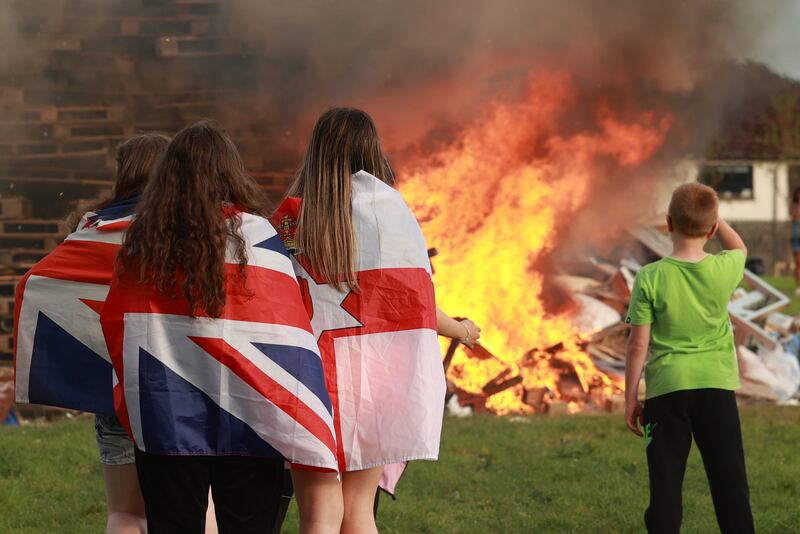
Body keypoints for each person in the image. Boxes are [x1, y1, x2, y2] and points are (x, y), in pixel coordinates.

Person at [100, 121, 340, 534]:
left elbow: (119, 322)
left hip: (166, 413)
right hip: (253, 412)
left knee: (173, 526)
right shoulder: (259, 235)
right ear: (231, 171)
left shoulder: (143, 242)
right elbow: (290, 326)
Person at [277, 107, 447, 533]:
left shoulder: (289, 219)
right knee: (358, 511)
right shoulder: (392, 214)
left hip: (307, 377)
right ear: (371, 150)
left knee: (318, 513)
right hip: (377, 380)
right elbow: (411, 302)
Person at [624, 182, 754, 534]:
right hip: (716, 387)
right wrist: (714, 217)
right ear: (712, 229)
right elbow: (739, 246)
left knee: (665, 487)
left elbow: (637, 346)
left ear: (667, 223)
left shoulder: (649, 277)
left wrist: (631, 397)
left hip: (667, 391)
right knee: (730, 482)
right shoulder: (725, 267)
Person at [790, 187, 800, 295]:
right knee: (798, 263)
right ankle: (798, 285)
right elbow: (793, 215)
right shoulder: (794, 205)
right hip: (796, 237)